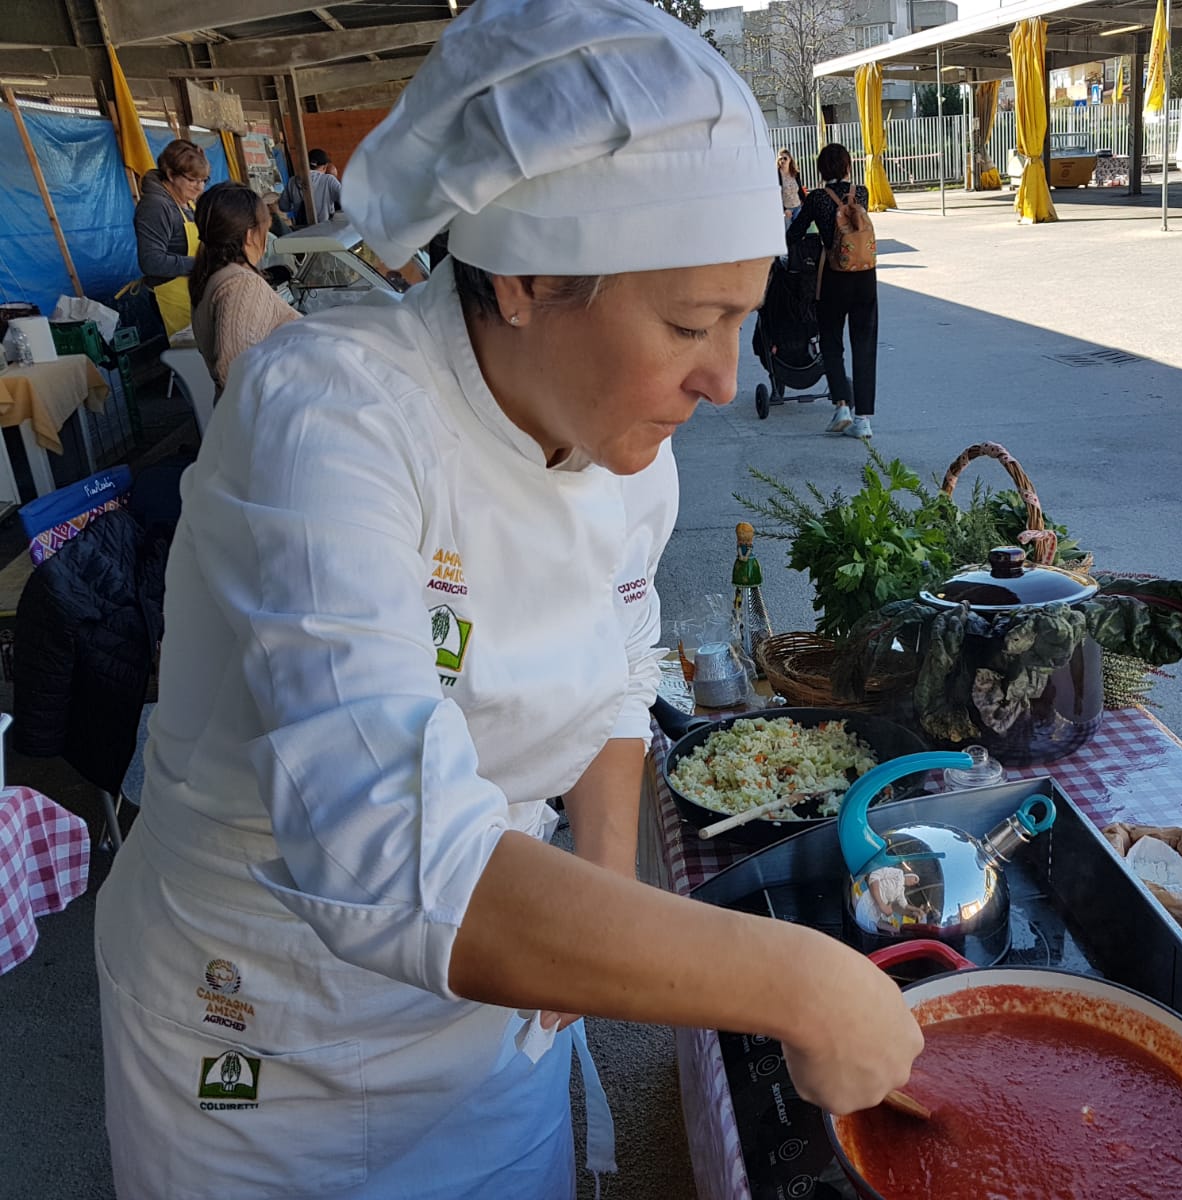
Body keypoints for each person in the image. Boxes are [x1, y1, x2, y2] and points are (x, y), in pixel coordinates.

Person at [93, 3, 922, 1199]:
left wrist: (605, 915)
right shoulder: (329, 416)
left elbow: (622, 673)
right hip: (269, 1045)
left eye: (740, 321)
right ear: (528, 278)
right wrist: (794, 983)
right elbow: (388, 850)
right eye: (691, 324)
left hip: (497, 1013)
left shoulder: (629, 457)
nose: (722, 379)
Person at [787, 143, 878, 439]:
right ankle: (863, 420)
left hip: (833, 278)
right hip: (865, 276)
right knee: (864, 344)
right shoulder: (861, 192)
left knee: (831, 341)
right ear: (848, 166)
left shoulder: (817, 198)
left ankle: (842, 406)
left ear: (821, 169)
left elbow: (795, 233)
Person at [189, 182, 300, 392]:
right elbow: (232, 369)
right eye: (266, 229)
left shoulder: (212, 274)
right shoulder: (241, 283)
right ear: (250, 235)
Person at [135, 138, 210, 335]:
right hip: (169, 298)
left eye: (203, 180)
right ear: (170, 174)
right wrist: (202, 264)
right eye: (192, 180)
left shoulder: (187, 202)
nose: (200, 187)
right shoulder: (155, 207)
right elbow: (151, 262)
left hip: (191, 292)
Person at [282, 148, 343, 226]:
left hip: (301, 229)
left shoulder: (292, 181)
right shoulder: (329, 180)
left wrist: (295, 203)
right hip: (324, 228)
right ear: (324, 167)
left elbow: (283, 206)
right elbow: (346, 201)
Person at [777, 147, 804, 224]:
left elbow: (800, 190)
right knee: (788, 230)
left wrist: (806, 204)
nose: (782, 160)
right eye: (780, 158)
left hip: (798, 207)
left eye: (785, 158)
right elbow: (777, 195)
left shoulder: (795, 173)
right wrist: (784, 209)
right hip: (786, 211)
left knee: (798, 230)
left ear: (790, 159)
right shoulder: (777, 175)